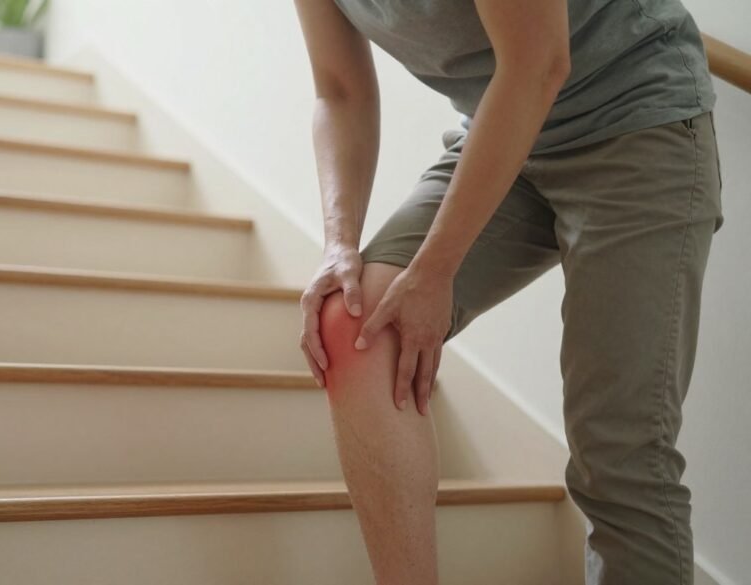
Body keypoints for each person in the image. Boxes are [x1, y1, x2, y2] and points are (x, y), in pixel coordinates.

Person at [293, 0, 724, 584]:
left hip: (636, 124)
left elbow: (539, 62)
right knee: (356, 325)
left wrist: (435, 269)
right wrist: (338, 243)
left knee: (620, 452)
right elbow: (339, 90)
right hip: (508, 138)